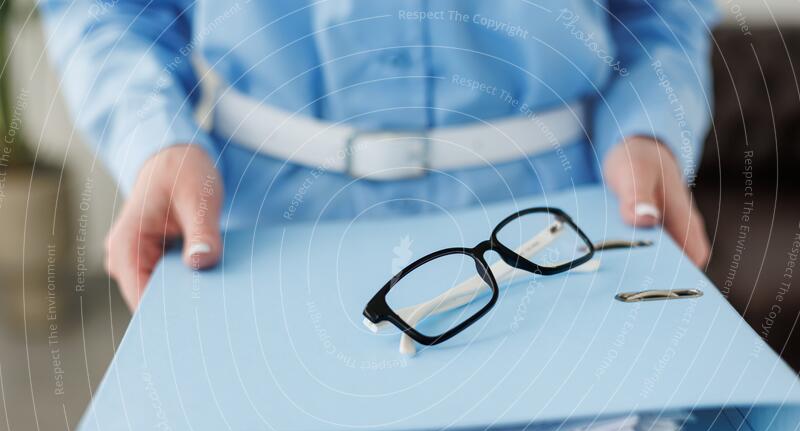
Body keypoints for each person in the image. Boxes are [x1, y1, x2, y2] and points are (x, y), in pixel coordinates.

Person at [40, 1, 718, 311]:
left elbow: (663, 12)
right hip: (257, 231)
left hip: (558, 228)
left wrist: (647, 128)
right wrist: (155, 140)